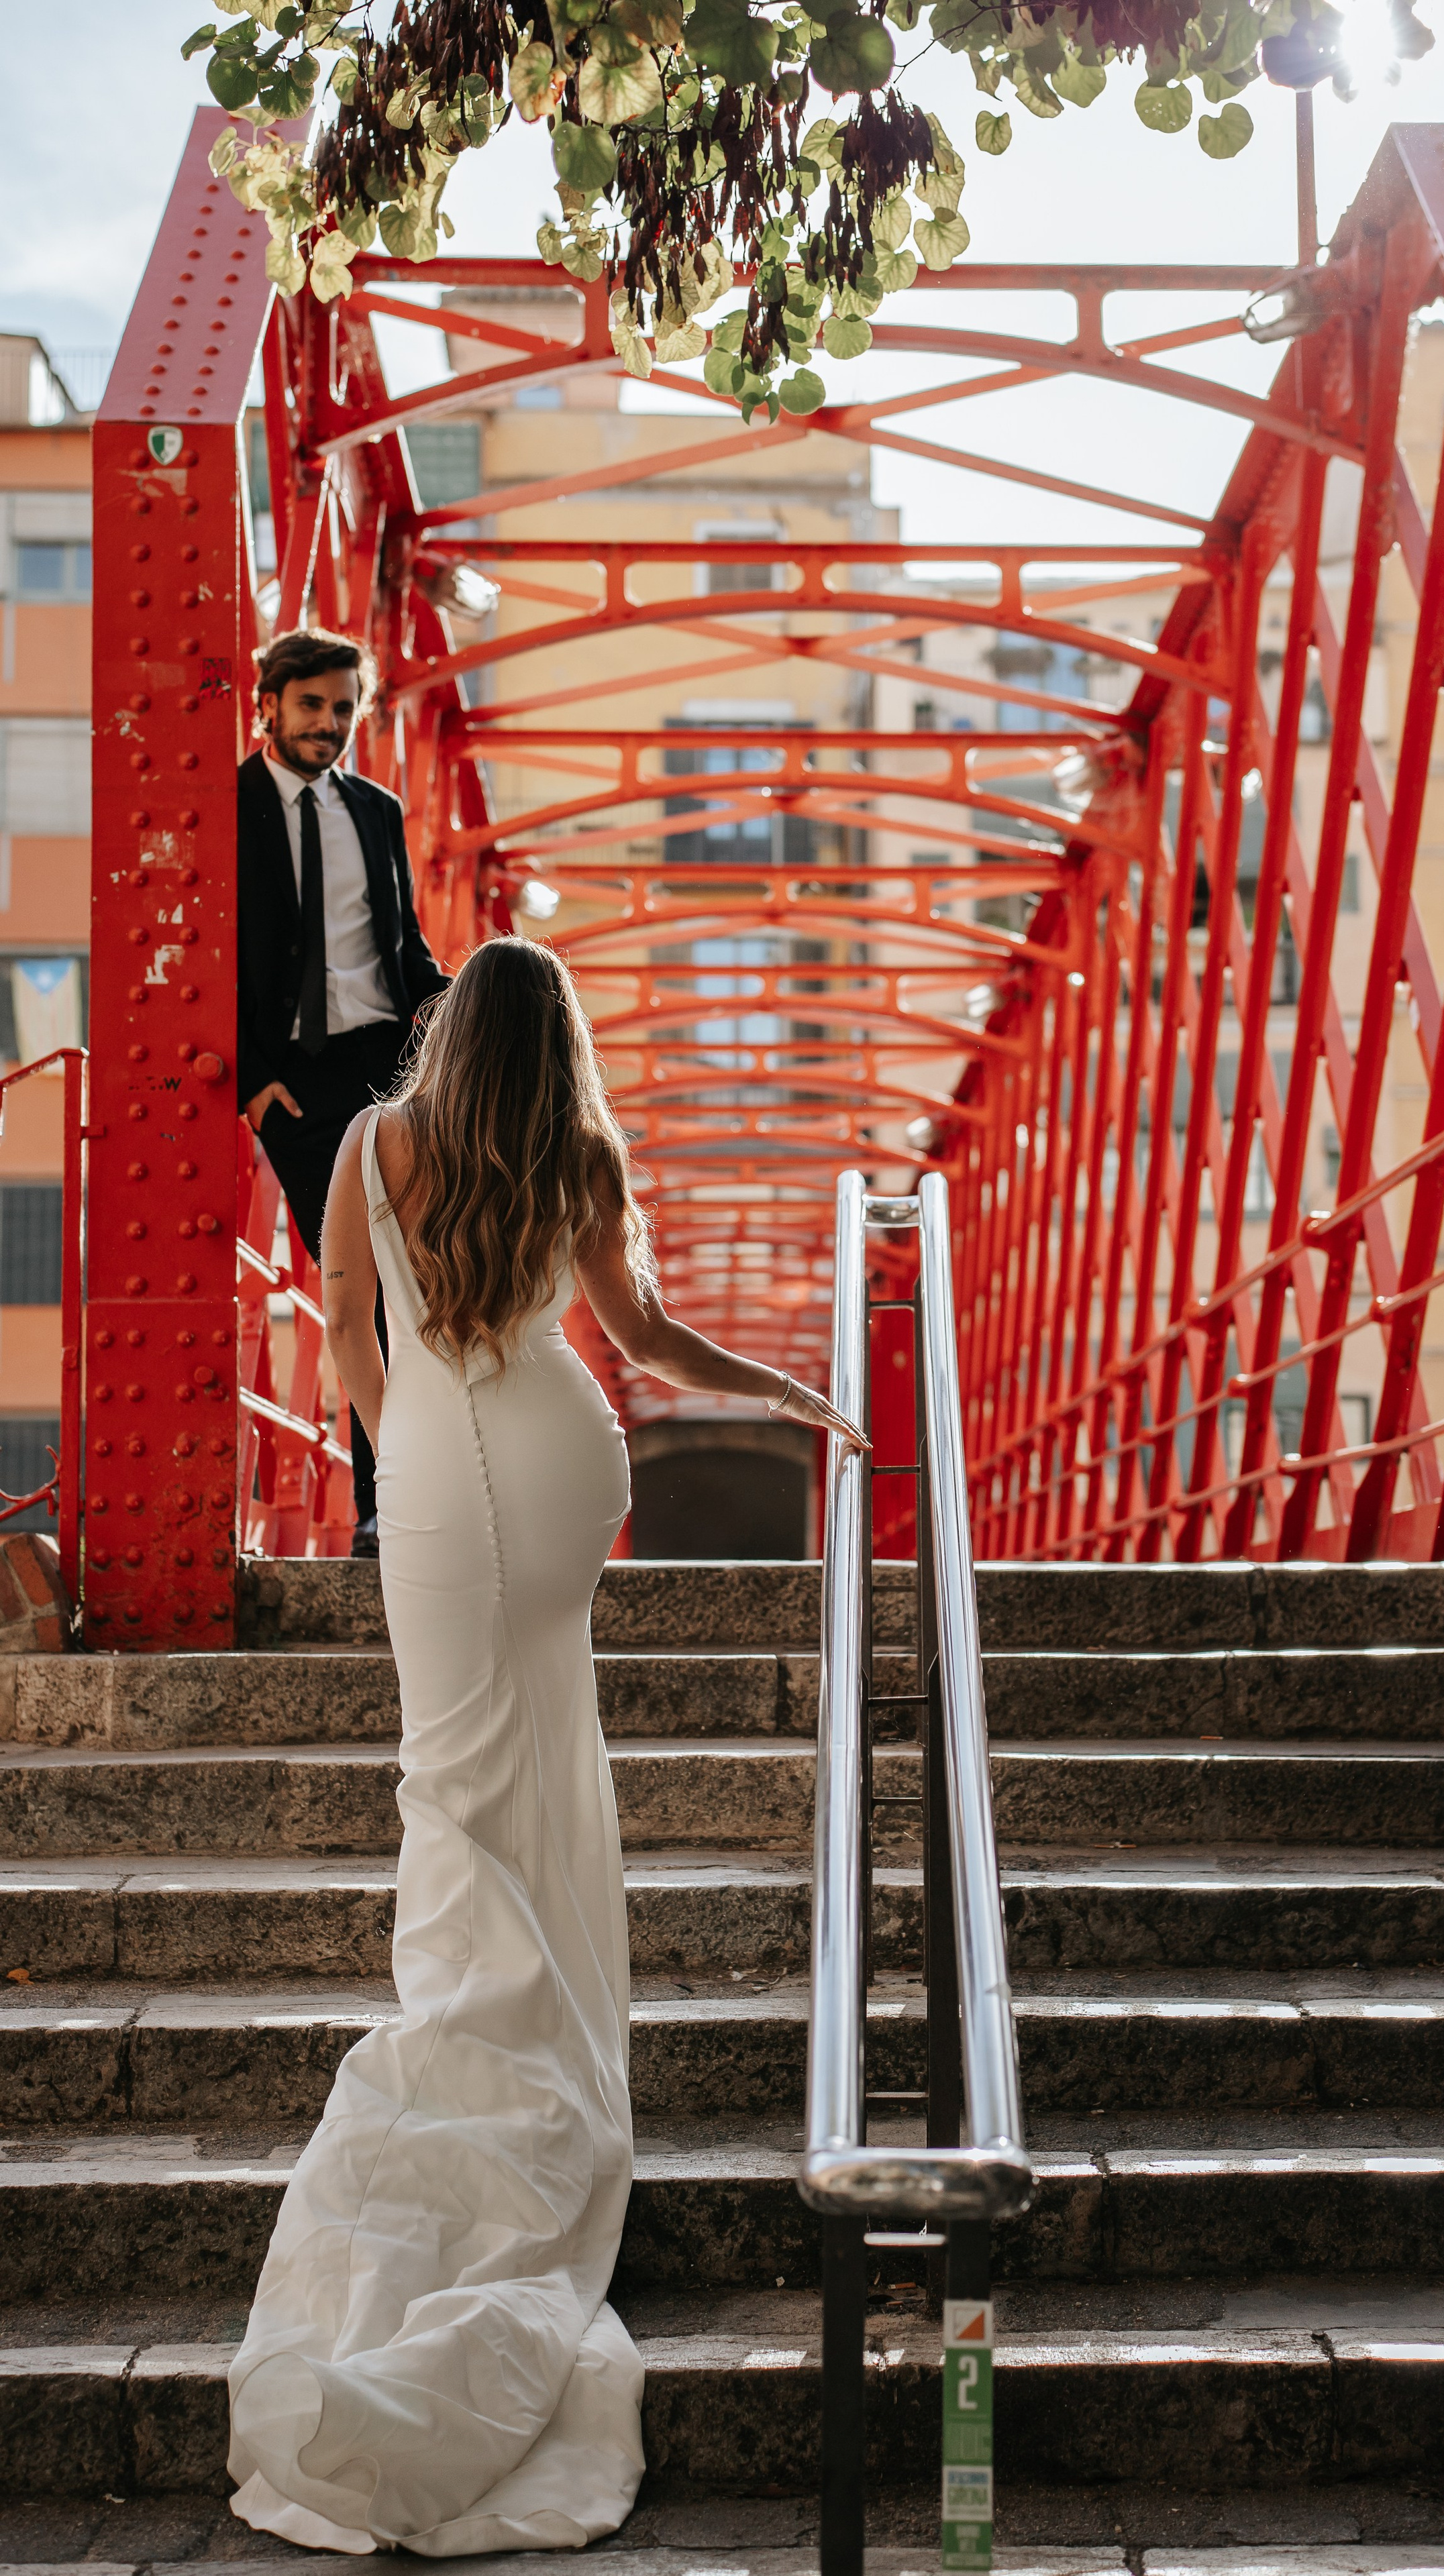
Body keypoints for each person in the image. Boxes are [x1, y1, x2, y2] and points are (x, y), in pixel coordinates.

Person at [225, 937, 865, 2555]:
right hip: (560, 1461)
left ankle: (467, 2049)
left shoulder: (373, 1143)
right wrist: (791, 1388)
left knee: (447, 1778)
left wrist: (404, 1459)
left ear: (447, 1030)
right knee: (544, 1749)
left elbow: (344, 1332)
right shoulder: (576, 1149)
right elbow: (640, 1346)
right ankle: (554, 2057)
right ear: (557, 1038)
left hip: (435, 1476)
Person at [238, 627, 449, 1558]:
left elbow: (401, 947)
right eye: (312, 705)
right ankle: (381, 1506)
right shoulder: (225, 806)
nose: (329, 724)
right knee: (349, 1292)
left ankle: (391, 1503)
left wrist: (477, 1013)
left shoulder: (376, 809)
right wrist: (250, 1076)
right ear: (271, 707)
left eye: (344, 708)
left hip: (385, 1065)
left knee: (409, 1285)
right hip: (294, 1085)